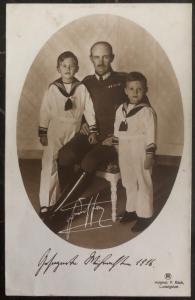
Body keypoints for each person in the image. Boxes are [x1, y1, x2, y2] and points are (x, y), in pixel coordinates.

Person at [45, 41, 128, 232]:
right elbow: (81, 107)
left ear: (112, 57)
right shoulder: (86, 83)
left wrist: (117, 137)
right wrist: (83, 122)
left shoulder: (124, 81)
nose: (101, 61)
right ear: (91, 58)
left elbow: (140, 112)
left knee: (89, 161)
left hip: (111, 139)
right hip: (90, 134)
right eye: (96, 57)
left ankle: (58, 213)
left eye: (105, 56)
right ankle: (66, 206)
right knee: (65, 154)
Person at [38, 51, 97, 219]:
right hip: (56, 128)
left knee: (67, 161)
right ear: (58, 68)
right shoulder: (53, 88)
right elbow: (45, 110)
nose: (68, 69)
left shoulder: (81, 88)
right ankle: (46, 203)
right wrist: (43, 131)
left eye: (71, 66)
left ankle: (64, 200)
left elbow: (88, 109)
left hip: (74, 129)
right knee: (50, 162)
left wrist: (92, 129)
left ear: (77, 68)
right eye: (64, 66)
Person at [113, 72, 157, 232]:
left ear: (145, 90)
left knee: (143, 179)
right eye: (131, 88)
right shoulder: (120, 109)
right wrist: (118, 147)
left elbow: (151, 134)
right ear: (125, 90)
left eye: (139, 89)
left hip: (140, 148)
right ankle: (131, 209)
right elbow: (117, 129)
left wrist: (150, 154)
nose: (135, 92)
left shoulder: (146, 111)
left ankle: (145, 215)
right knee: (128, 180)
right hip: (124, 148)